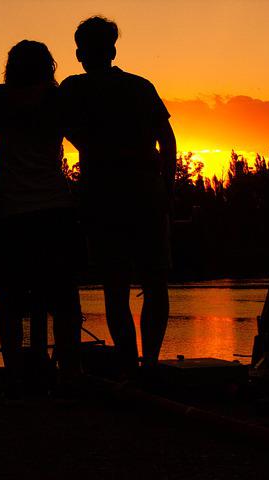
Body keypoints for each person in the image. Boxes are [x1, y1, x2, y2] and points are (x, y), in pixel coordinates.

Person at [59, 16, 177, 379]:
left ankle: (130, 364)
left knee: (116, 285)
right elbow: (168, 140)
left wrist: (96, 151)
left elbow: (69, 132)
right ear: (112, 50)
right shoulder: (140, 87)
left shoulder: (73, 89)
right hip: (143, 191)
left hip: (103, 195)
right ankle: (150, 363)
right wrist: (166, 187)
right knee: (153, 281)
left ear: (80, 53)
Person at [0, 40, 83, 397]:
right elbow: (83, 142)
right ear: (49, 67)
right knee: (64, 300)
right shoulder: (57, 102)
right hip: (55, 211)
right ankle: (70, 373)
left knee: (12, 302)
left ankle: (15, 374)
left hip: (12, 213)